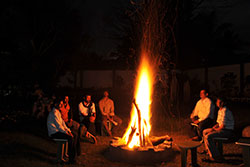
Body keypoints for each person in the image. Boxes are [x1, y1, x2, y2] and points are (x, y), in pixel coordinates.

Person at [47, 99, 79, 164]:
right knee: (71, 138)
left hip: (59, 131)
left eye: (62, 104)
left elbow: (63, 124)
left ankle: (74, 154)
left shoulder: (58, 112)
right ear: (55, 104)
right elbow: (59, 126)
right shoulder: (54, 113)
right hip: (54, 133)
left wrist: (68, 130)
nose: (61, 105)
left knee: (75, 134)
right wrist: (66, 133)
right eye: (60, 104)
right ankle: (71, 159)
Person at [202, 97, 234, 162]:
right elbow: (218, 123)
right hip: (222, 129)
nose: (216, 103)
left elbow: (222, 126)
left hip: (227, 131)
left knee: (208, 136)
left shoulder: (226, 111)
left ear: (222, 103)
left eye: (218, 102)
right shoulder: (220, 110)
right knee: (205, 131)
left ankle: (216, 156)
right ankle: (209, 150)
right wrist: (213, 128)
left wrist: (213, 130)